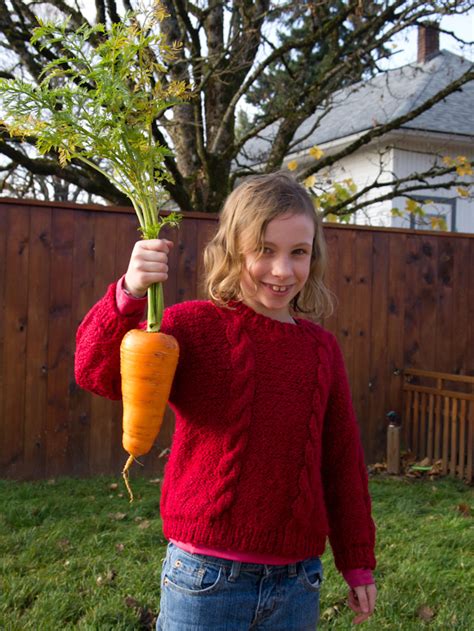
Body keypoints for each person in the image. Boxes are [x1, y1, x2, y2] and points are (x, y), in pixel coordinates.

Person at [75, 172, 377, 630]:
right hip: (206, 579)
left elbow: (342, 462)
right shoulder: (193, 327)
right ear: (234, 250)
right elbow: (94, 372)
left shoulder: (321, 350)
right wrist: (129, 294)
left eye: (298, 252)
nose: (282, 270)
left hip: (298, 582)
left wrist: (356, 560)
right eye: (265, 250)